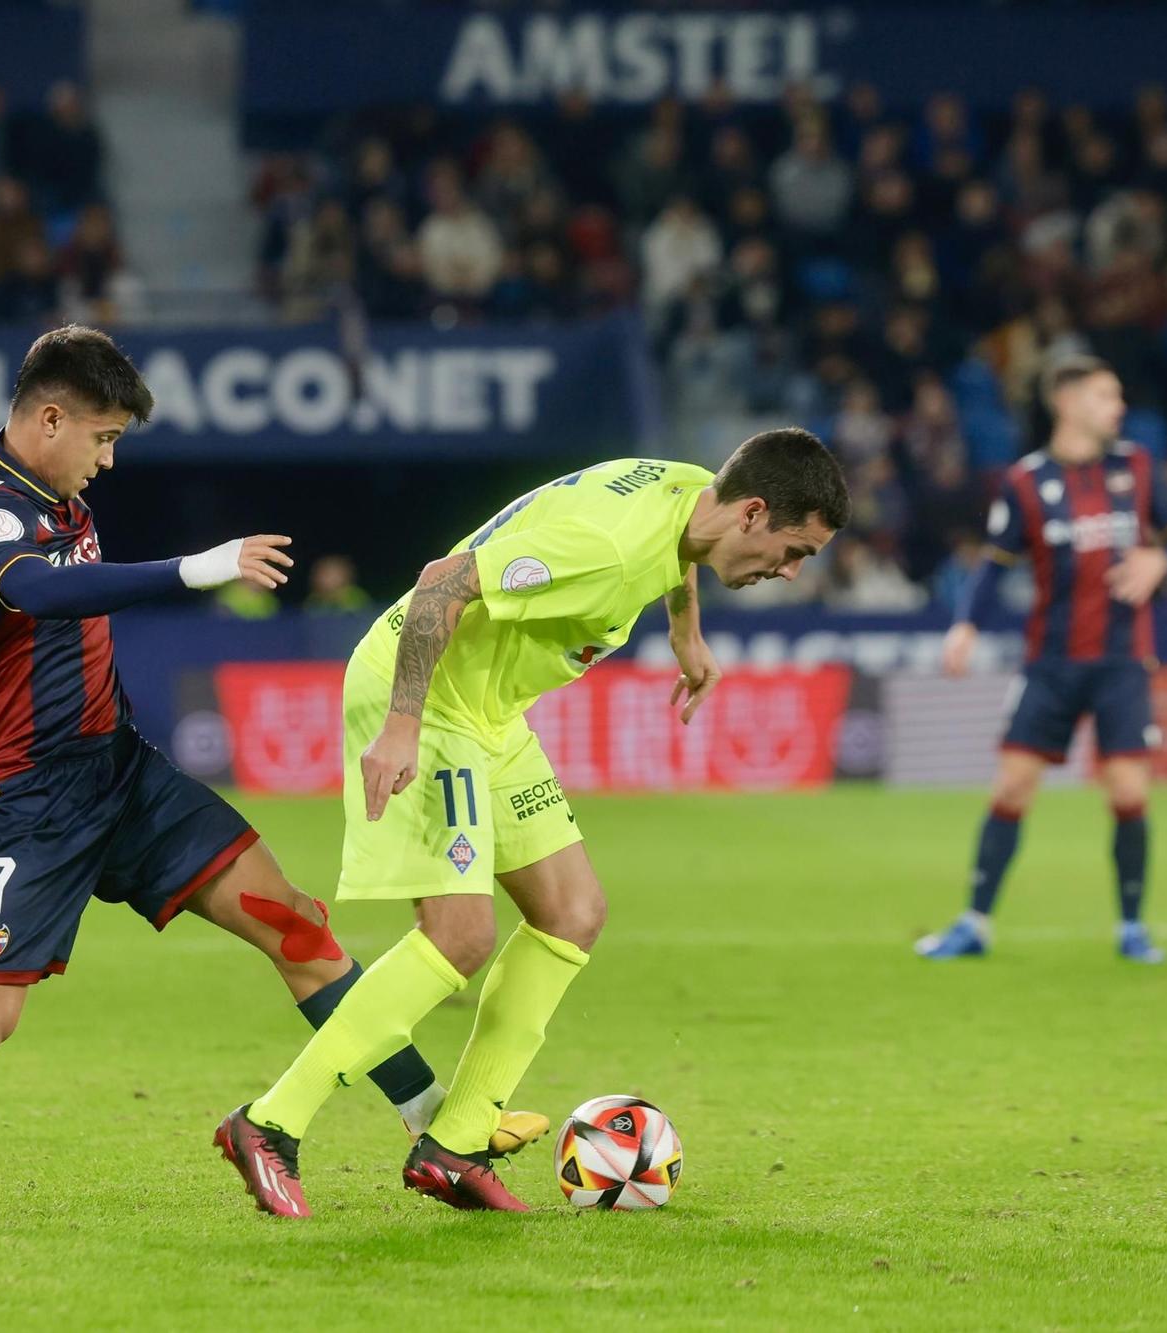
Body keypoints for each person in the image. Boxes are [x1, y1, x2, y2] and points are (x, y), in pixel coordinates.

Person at [0, 326, 542, 1227]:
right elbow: (33, 588)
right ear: (49, 419)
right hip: (26, 799)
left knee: (293, 924)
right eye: (101, 438)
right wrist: (199, 566)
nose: (106, 459)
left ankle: (433, 1125)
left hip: (121, 773)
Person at [217, 431, 850, 1217]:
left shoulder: (693, 491)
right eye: (795, 550)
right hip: (424, 694)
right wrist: (403, 725)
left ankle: (456, 1143)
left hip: (489, 710)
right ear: (755, 510)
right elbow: (443, 583)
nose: (789, 571)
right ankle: (272, 1122)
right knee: (460, 936)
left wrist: (686, 632)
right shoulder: (607, 550)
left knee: (573, 912)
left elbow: (686, 547)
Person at [917, 357, 1167, 964]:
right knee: (1013, 786)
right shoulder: (1026, 482)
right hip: (1050, 663)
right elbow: (995, 564)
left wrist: (1159, 561)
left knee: (1127, 792)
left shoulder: (1139, 469)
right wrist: (965, 624)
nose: (1119, 407)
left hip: (1124, 661)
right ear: (1066, 403)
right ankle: (974, 923)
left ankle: (1132, 928)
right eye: (1106, 395)